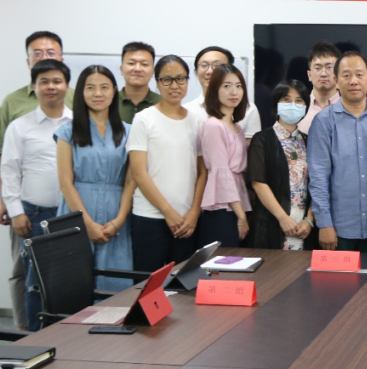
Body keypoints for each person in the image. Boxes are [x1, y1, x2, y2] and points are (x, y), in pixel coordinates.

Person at [0, 31, 73, 329]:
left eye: (57, 81)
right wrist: (15, 211)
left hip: (69, 214)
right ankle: (35, 337)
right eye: (44, 82)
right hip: (34, 214)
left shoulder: (79, 123)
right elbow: (9, 170)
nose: (51, 87)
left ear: (66, 85)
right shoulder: (19, 126)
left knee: (69, 279)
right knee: (34, 281)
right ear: (34, 87)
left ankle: (65, 337)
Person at [55, 65, 136, 291]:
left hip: (115, 213)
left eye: (104, 87)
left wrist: (119, 219)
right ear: (81, 92)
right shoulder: (67, 132)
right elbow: (65, 183)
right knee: (72, 285)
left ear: (114, 91)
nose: (97, 93)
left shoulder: (129, 132)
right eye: (90, 88)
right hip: (76, 211)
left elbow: (131, 181)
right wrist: (87, 224)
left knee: (114, 285)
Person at [308, 52, 367, 252]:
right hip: (338, 228)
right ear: (336, 80)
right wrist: (324, 224)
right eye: (346, 75)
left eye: (359, 74)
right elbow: (318, 176)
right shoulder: (323, 121)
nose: (353, 81)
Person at [128, 56, 207, 271]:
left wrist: (194, 211)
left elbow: (202, 171)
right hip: (150, 217)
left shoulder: (197, 121)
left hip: (187, 220)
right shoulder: (144, 119)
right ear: (157, 82)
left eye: (180, 79)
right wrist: (168, 212)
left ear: (188, 80)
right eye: (167, 80)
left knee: (182, 284)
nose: (174, 85)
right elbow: (139, 173)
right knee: (146, 284)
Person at [248, 80, 317, 250]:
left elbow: (318, 183)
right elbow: (258, 182)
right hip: (272, 221)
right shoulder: (262, 139)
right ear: (276, 104)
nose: (293, 105)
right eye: (286, 99)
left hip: (304, 226)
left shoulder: (309, 141)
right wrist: (282, 218)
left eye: (299, 101)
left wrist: (309, 220)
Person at [199, 65, 252, 248]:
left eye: (238, 86)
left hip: (238, 202)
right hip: (223, 206)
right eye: (227, 86)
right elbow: (222, 173)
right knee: (225, 261)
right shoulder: (214, 125)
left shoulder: (237, 127)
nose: (234, 92)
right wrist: (241, 216)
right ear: (215, 90)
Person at [185, 45, 263, 139]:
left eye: (217, 65)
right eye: (204, 65)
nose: (209, 71)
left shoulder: (247, 109)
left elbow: (252, 146)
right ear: (196, 72)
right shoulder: (187, 110)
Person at [297, 42, 341, 135]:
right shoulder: (298, 108)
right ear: (309, 75)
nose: (323, 74)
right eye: (317, 68)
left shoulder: (349, 107)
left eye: (329, 67)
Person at [117, 41, 160, 124]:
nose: (137, 69)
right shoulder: (109, 102)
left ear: (153, 72)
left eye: (144, 64)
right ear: (121, 69)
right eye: (131, 63)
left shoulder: (163, 104)